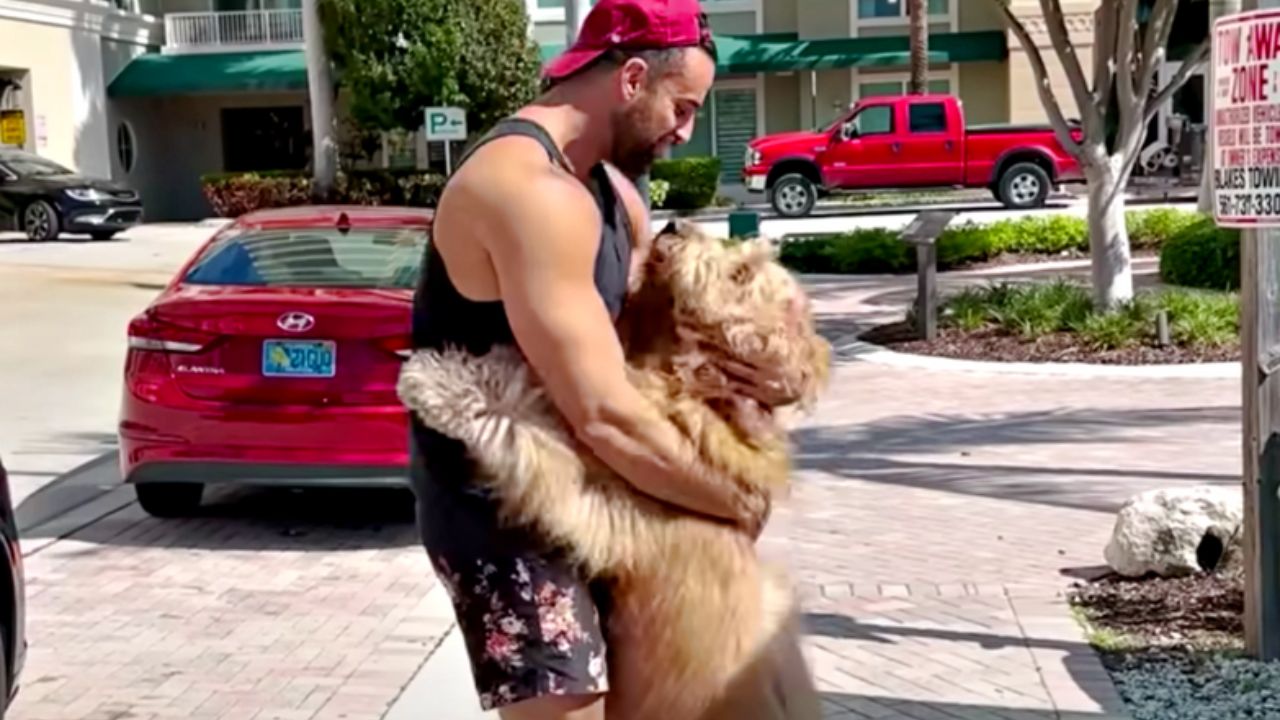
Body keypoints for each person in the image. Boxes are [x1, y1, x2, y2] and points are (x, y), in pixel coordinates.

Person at [406, 1, 774, 718]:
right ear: (633, 77)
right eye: (684, 105)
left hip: (604, 495)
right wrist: (734, 496)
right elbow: (604, 412)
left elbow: (648, 353)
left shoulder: (611, 195)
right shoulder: (524, 192)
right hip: (507, 510)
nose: (686, 130)